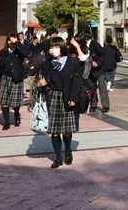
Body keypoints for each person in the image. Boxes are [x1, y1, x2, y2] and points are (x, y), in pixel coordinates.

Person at [36, 37, 81, 168]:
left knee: (66, 130)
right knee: (55, 130)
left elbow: (77, 81)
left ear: (62, 47)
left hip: (67, 97)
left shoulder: (72, 62)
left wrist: (73, 98)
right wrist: (39, 84)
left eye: (56, 47)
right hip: (52, 97)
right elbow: (42, 81)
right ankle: (58, 157)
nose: (53, 50)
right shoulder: (47, 63)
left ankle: (67, 150)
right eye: (51, 47)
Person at [0, 33, 30, 130]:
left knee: (15, 103)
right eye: (10, 39)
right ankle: (6, 122)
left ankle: (16, 114)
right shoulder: (3, 52)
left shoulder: (19, 51)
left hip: (16, 79)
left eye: (14, 39)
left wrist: (17, 43)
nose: (11, 41)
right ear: (7, 41)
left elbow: (27, 54)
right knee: (4, 101)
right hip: (5, 79)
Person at [87, 33, 109, 112]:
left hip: (99, 69)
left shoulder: (94, 44)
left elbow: (103, 54)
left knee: (102, 86)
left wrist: (98, 63)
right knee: (91, 87)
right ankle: (93, 104)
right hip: (90, 69)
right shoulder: (83, 45)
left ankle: (105, 106)